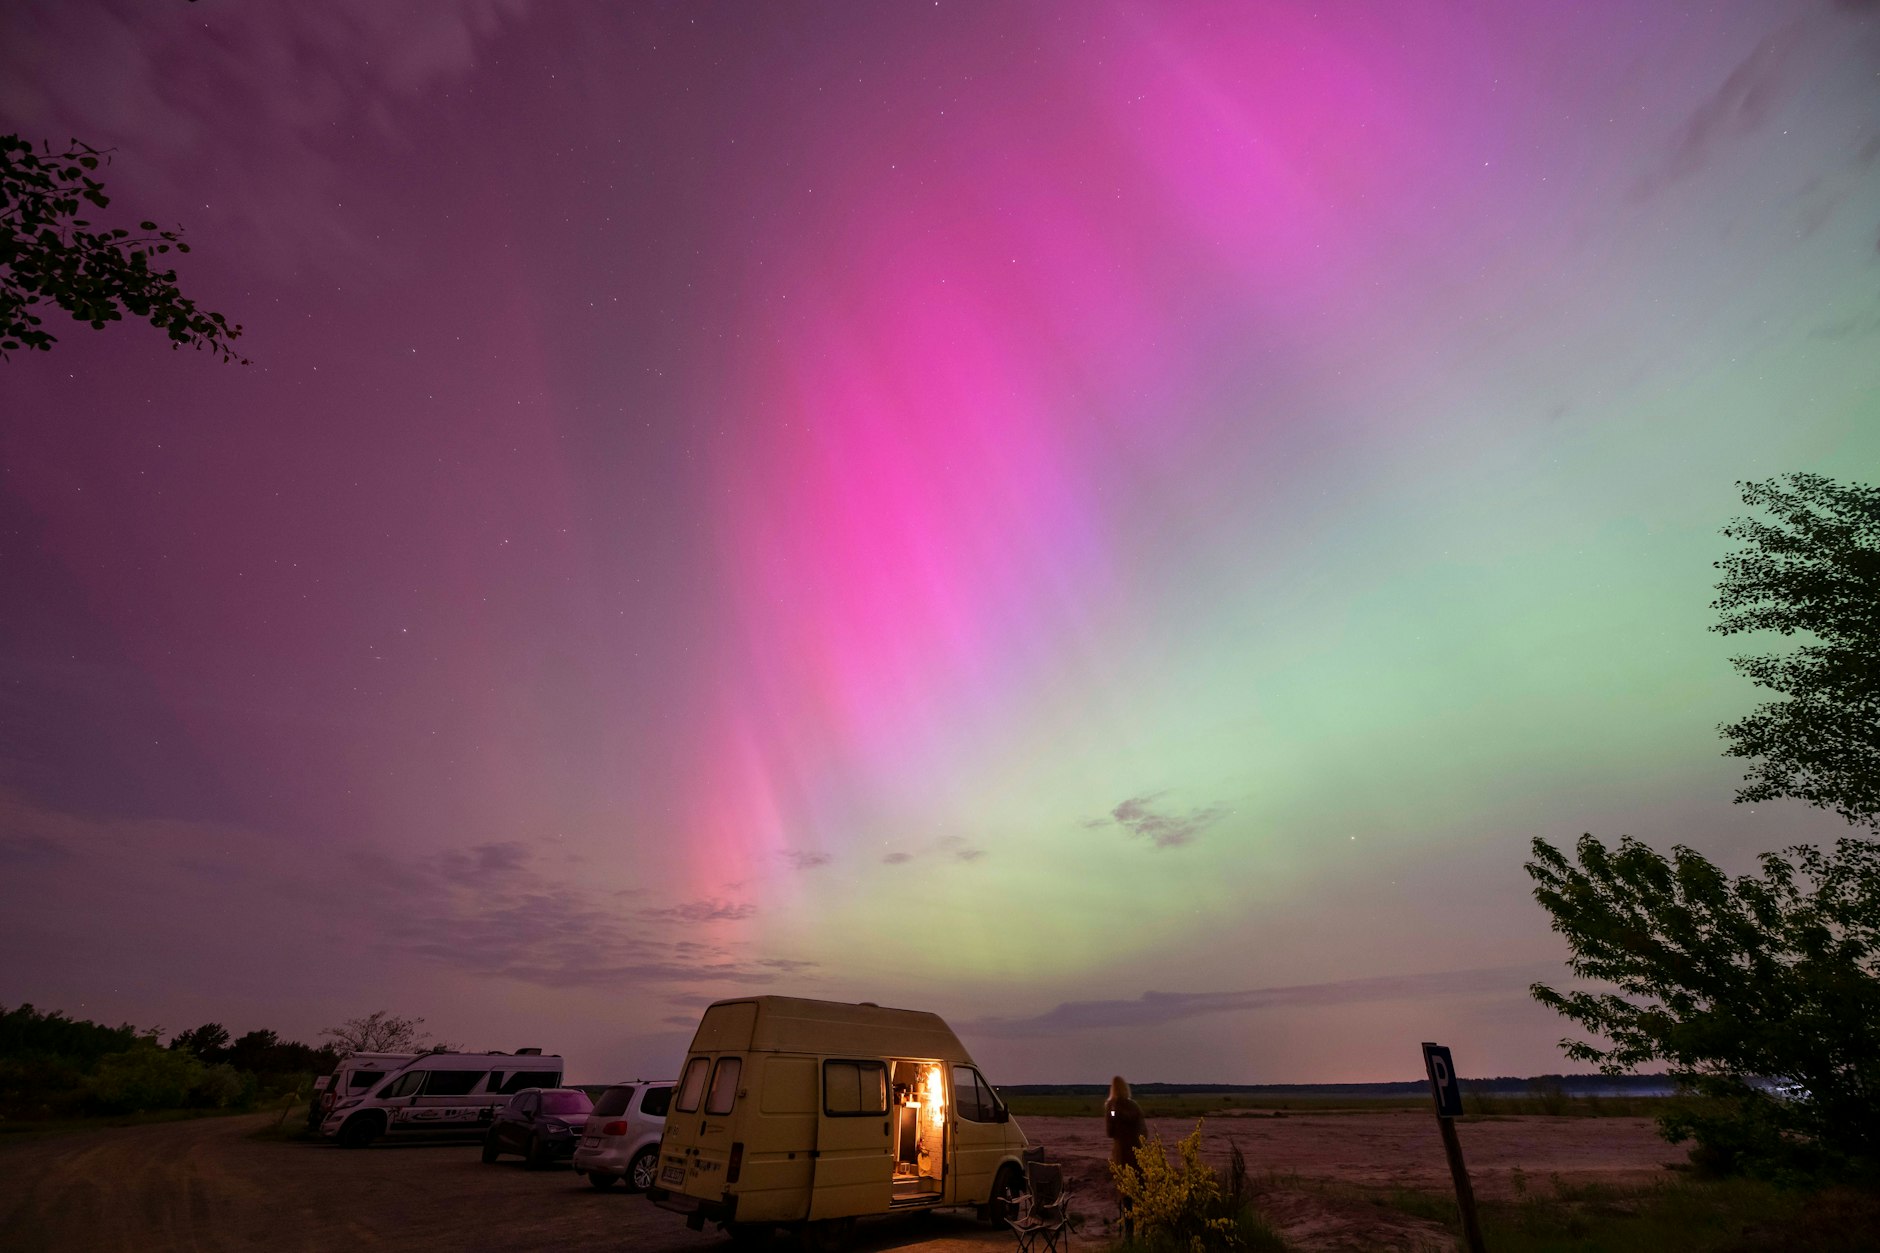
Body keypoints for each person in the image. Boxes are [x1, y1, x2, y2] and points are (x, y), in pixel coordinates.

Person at [1104, 1075, 1148, 1233]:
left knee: (1127, 1197)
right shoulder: (1135, 1106)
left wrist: (1114, 1113)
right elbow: (1144, 1131)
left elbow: (1110, 1130)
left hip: (1122, 1154)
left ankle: (1129, 1233)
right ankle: (1144, 1230)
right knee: (1141, 1193)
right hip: (1138, 1154)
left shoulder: (1113, 1107)